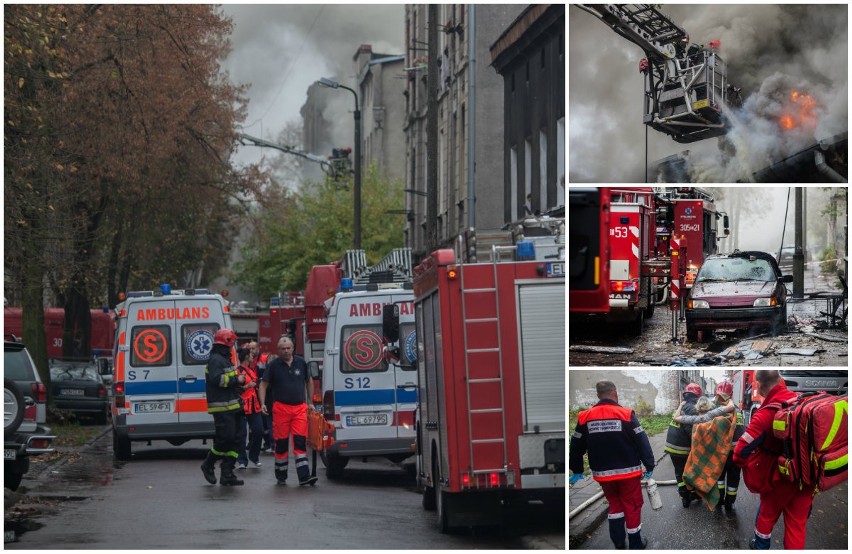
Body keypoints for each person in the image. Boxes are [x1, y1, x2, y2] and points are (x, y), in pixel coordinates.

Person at [734, 370, 814, 550]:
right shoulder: (803, 401)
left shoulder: (765, 414)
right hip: (807, 477)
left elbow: (739, 452)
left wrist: (750, 465)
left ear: (760, 386)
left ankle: (760, 547)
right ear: (782, 380)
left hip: (779, 480)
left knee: (766, 516)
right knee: (797, 525)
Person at [569, 381, 654, 550]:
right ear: (614, 393)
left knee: (615, 504)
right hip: (628, 473)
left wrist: (577, 469)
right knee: (632, 505)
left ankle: (618, 541)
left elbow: (576, 445)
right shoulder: (626, 414)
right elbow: (642, 441)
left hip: (603, 475)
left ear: (598, 395)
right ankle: (636, 543)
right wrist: (649, 465)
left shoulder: (584, 417)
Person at [259, 336, 317, 487]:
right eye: (283, 349)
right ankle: (281, 474)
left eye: (288, 348)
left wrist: (310, 402)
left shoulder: (301, 363)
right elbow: (263, 385)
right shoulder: (273, 365)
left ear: (292, 348)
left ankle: (304, 477)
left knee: (299, 443)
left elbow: (309, 381)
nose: (286, 351)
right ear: (279, 350)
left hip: (299, 408)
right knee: (281, 444)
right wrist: (263, 403)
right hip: (281, 409)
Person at [200, 328, 246, 486]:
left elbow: (228, 381)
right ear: (228, 343)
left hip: (233, 406)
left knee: (236, 440)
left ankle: (227, 474)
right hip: (221, 408)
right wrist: (237, 380)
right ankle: (208, 464)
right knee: (224, 440)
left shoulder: (225, 359)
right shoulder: (216, 360)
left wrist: (240, 385)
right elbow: (217, 380)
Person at [665, 383, 702, 507]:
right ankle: (690, 495)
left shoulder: (682, 406)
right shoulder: (692, 408)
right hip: (682, 448)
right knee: (690, 472)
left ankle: (685, 496)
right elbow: (691, 430)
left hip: (671, 445)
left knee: (679, 473)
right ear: (697, 396)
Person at [235, 347, 264, 469]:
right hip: (241, 406)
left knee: (259, 431)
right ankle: (242, 460)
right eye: (251, 354)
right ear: (247, 357)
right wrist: (247, 386)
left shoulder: (252, 370)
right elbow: (235, 390)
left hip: (254, 405)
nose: (253, 356)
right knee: (241, 434)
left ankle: (254, 456)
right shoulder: (238, 371)